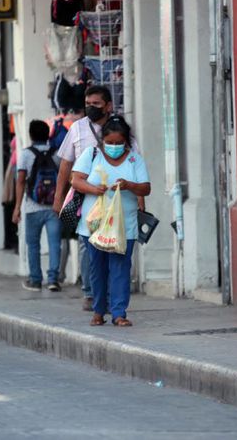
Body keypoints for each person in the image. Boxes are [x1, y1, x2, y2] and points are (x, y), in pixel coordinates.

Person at [53, 86, 140, 311]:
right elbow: (66, 165)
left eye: (97, 104)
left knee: (116, 247)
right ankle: (90, 293)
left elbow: (135, 164)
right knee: (88, 247)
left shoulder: (122, 131)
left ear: (109, 106)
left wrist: (140, 203)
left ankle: (113, 298)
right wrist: (58, 197)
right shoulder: (77, 129)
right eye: (88, 103)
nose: (91, 108)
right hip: (88, 201)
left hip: (119, 202)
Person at [71, 115, 151, 327]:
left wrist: (129, 185)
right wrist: (94, 189)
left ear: (126, 141)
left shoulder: (135, 159)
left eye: (119, 143)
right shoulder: (92, 154)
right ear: (102, 140)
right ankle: (98, 310)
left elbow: (146, 188)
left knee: (120, 268)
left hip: (124, 225)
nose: (114, 147)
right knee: (97, 268)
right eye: (110, 142)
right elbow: (76, 180)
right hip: (94, 225)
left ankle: (118, 313)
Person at [12, 120, 62, 292]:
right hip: (54, 207)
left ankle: (35, 279)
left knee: (33, 244)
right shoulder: (57, 153)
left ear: (31, 135)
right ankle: (53, 279)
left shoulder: (26, 154)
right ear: (47, 134)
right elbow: (64, 179)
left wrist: (17, 207)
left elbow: (20, 181)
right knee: (55, 243)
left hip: (33, 206)